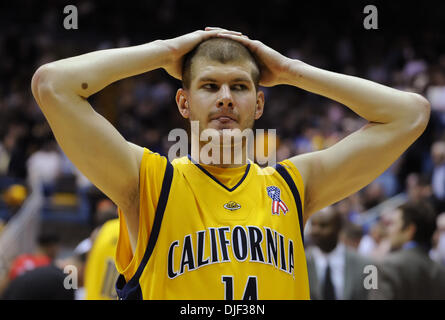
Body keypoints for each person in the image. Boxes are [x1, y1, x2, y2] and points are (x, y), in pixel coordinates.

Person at [31, 27, 430, 300]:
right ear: (184, 102)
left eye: (239, 87)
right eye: (209, 86)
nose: (225, 98)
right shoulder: (150, 181)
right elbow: (52, 85)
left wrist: (292, 71)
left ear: (258, 103)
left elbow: (410, 114)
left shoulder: (293, 185)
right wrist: (166, 52)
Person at [369, 201, 445, 299]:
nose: (388, 230)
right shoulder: (440, 271)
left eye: (393, 224)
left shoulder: (386, 266)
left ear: (410, 229)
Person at [305, 207, 373, 300]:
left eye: (323, 225)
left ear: (338, 228)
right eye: (313, 225)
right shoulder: (301, 263)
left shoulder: (366, 265)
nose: (316, 231)